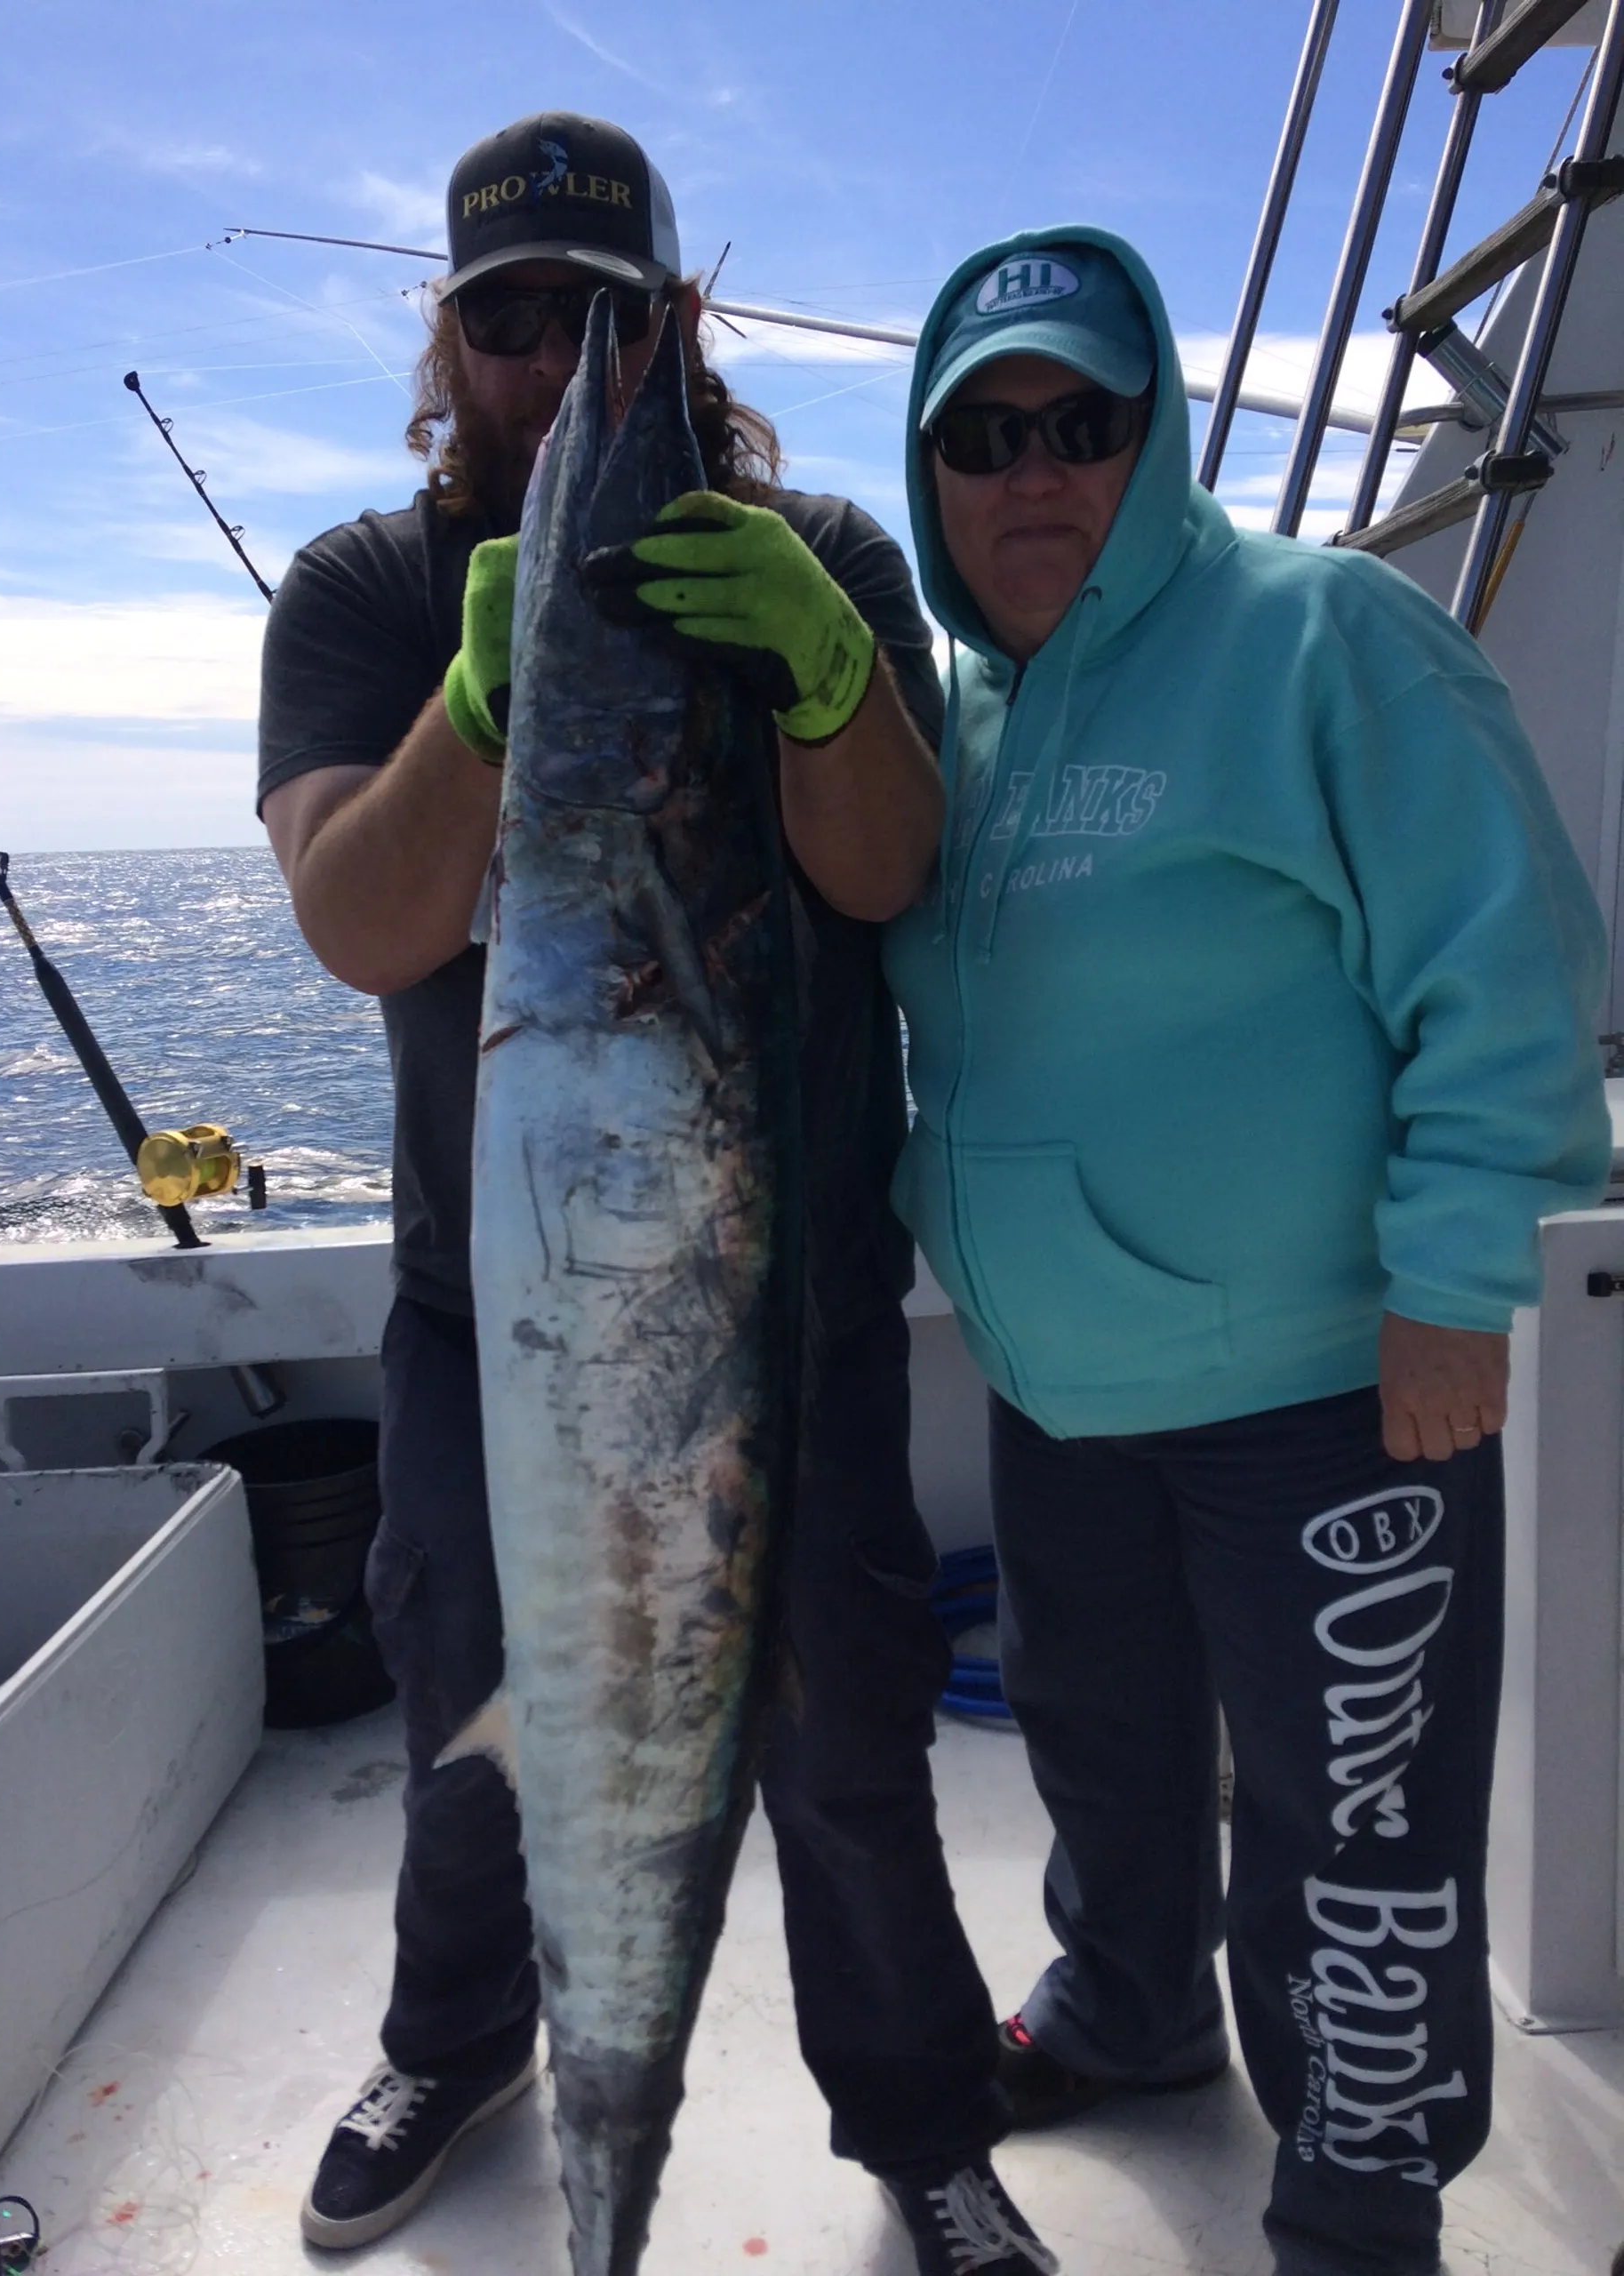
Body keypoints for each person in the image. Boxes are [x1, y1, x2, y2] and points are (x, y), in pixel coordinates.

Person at [259, 114, 1056, 2276]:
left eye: (597, 315)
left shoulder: (817, 553)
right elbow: (357, 914)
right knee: (464, 1730)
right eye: (506, 317)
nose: (549, 360)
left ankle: (919, 2122)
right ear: (451, 337)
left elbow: (888, 868)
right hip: (479, 1315)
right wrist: (476, 703)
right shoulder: (370, 588)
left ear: (671, 327)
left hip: (779, 1308)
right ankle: (462, 2041)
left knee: (855, 1740)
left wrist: (819, 670)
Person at [884, 225, 1612, 2276]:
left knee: (1346, 1827)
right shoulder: (953, 714)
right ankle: (1130, 2007)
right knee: (1099, 1746)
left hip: (1327, 1384)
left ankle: (1364, 2191)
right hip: (1060, 1384)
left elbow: (1511, 973)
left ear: (1158, 436)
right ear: (932, 472)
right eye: (983, 432)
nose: (1032, 469)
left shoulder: (1326, 635)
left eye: (1080, 422)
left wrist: (1453, 1286)